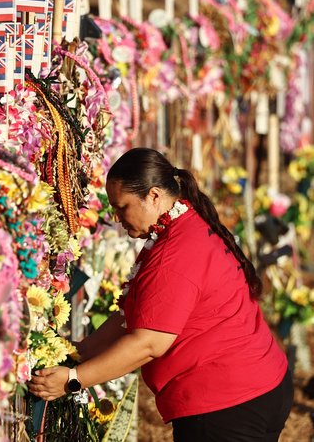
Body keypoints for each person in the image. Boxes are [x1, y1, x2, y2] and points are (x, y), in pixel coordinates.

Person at [29, 148, 293, 441]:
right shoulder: (183, 226)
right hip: (258, 384)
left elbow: (149, 342)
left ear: (154, 196)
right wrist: (82, 352)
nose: (118, 218)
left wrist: (74, 380)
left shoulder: (175, 253)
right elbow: (136, 314)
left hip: (227, 402)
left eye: (123, 207)